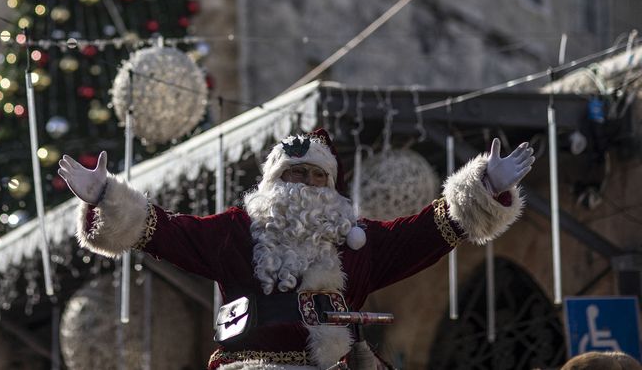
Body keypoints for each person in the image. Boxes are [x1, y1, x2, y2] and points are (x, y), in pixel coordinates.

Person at [58, 129, 534, 370]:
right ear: (272, 182)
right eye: (293, 174)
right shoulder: (234, 232)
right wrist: (107, 198)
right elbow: (161, 229)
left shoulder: (359, 244)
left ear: (330, 186)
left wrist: (484, 188)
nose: (304, 185)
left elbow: (430, 230)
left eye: (315, 176)